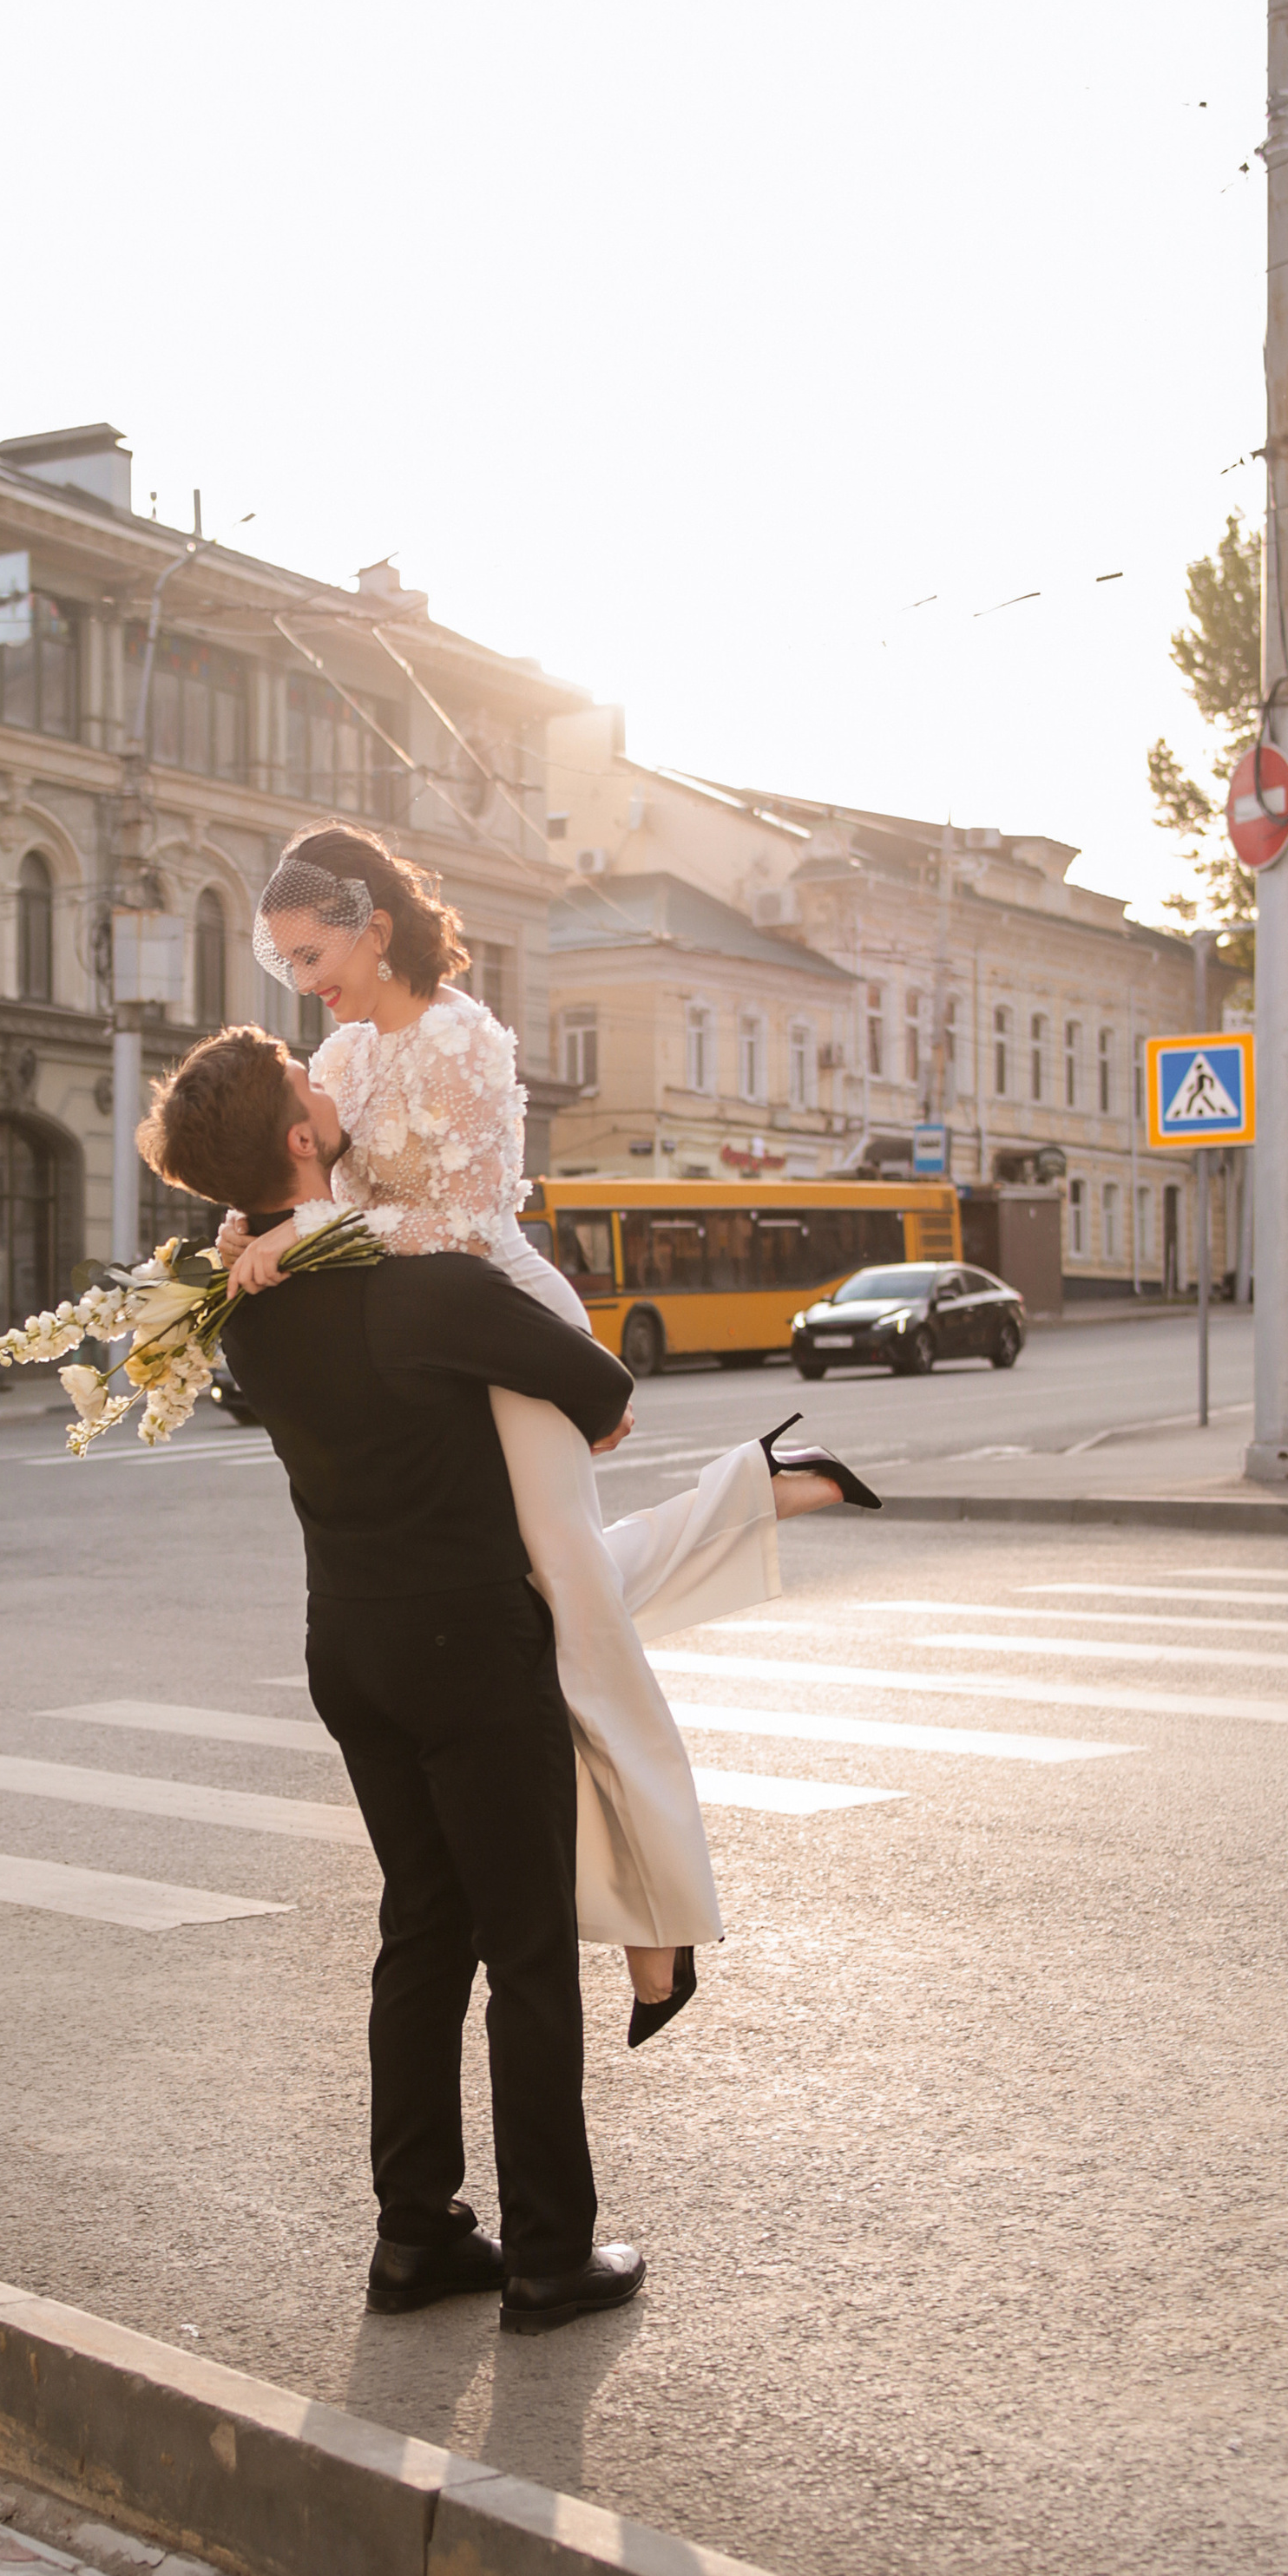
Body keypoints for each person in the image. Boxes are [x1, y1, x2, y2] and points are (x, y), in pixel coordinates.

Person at [223, 824, 871, 2046]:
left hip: (507, 1327)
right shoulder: (344, 1048)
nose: (307, 982)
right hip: (426, 1344)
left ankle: (658, 1916)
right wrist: (242, 1239)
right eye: (290, 963)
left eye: (316, 952)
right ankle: (755, 1491)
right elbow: (319, 1191)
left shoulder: (465, 1036)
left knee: (571, 1600)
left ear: (372, 923)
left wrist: (302, 1242)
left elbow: (451, 1232)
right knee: (538, 1601)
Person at [141, 1023, 648, 2335]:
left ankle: (416, 2236)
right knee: (528, 1948)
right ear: (303, 1139)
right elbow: (603, 1390)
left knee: (424, 1930)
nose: (333, 1078)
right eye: (312, 1081)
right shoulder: (423, 1290)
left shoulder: (246, 1310)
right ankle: (550, 2254)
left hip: (349, 1645)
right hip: (468, 1646)